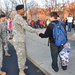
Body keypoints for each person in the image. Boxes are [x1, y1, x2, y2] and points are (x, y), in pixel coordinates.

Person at [12, 4, 37, 75]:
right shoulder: (19, 18)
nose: (24, 10)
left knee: (24, 53)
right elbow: (26, 27)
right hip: (19, 40)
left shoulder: (18, 17)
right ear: (19, 10)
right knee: (21, 55)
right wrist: (35, 31)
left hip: (20, 39)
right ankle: (21, 71)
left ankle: (23, 66)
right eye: (23, 9)